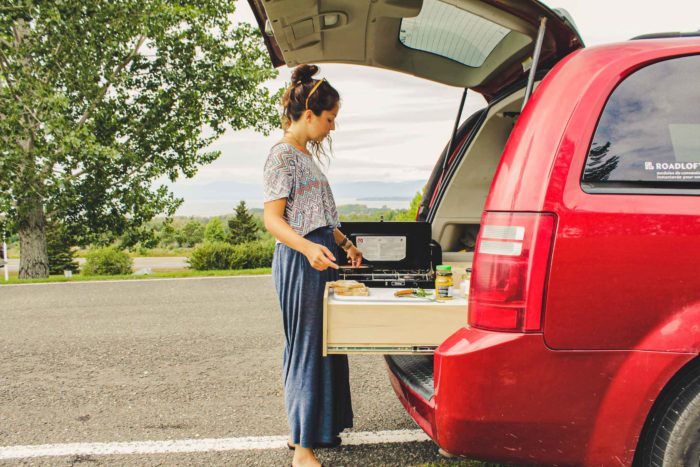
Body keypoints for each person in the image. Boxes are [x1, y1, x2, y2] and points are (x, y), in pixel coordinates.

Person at [263, 64, 363, 467]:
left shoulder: (305, 156)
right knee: (306, 347)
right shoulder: (282, 157)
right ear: (308, 115)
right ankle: (302, 449)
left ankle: (317, 430)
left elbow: (320, 215)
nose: (332, 127)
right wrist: (308, 249)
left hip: (321, 252)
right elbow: (273, 220)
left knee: (328, 344)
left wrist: (345, 244)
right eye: (329, 119)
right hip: (301, 259)